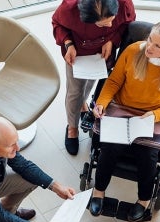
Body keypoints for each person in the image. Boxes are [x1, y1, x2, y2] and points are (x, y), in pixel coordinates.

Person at [88, 20, 160, 222]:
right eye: (150, 39)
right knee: (109, 147)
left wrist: (156, 115)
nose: (149, 47)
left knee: (148, 156)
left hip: (151, 116)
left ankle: (143, 200)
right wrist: (101, 102)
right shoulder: (134, 51)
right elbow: (114, 81)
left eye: (157, 45)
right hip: (122, 108)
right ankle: (98, 191)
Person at [52, 0, 136, 155]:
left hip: (103, 53)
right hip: (77, 53)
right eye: (103, 24)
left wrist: (113, 39)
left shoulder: (124, 3)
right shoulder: (70, 8)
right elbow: (58, 23)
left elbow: (128, 23)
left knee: (92, 80)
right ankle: (72, 127)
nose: (110, 25)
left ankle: (82, 104)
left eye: (112, 20)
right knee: (75, 91)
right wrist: (68, 44)